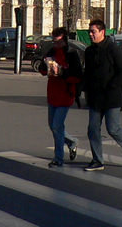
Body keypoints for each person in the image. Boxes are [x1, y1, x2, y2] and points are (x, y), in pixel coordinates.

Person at [81, 19, 122, 172]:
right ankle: (97, 160)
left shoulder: (113, 49)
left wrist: (113, 85)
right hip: (95, 97)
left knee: (113, 128)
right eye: (89, 32)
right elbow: (87, 73)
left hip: (111, 97)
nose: (90, 34)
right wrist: (81, 88)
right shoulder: (89, 51)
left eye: (93, 32)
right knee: (93, 129)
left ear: (102, 32)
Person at [38, 26, 83, 168]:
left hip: (66, 94)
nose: (56, 45)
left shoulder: (72, 54)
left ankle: (58, 158)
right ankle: (71, 142)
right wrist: (45, 65)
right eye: (54, 42)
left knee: (57, 125)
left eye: (58, 42)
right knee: (53, 126)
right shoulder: (51, 51)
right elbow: (42, 70)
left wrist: (62, 72)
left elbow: (77, 75)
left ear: (65, 41)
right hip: (52, 93)